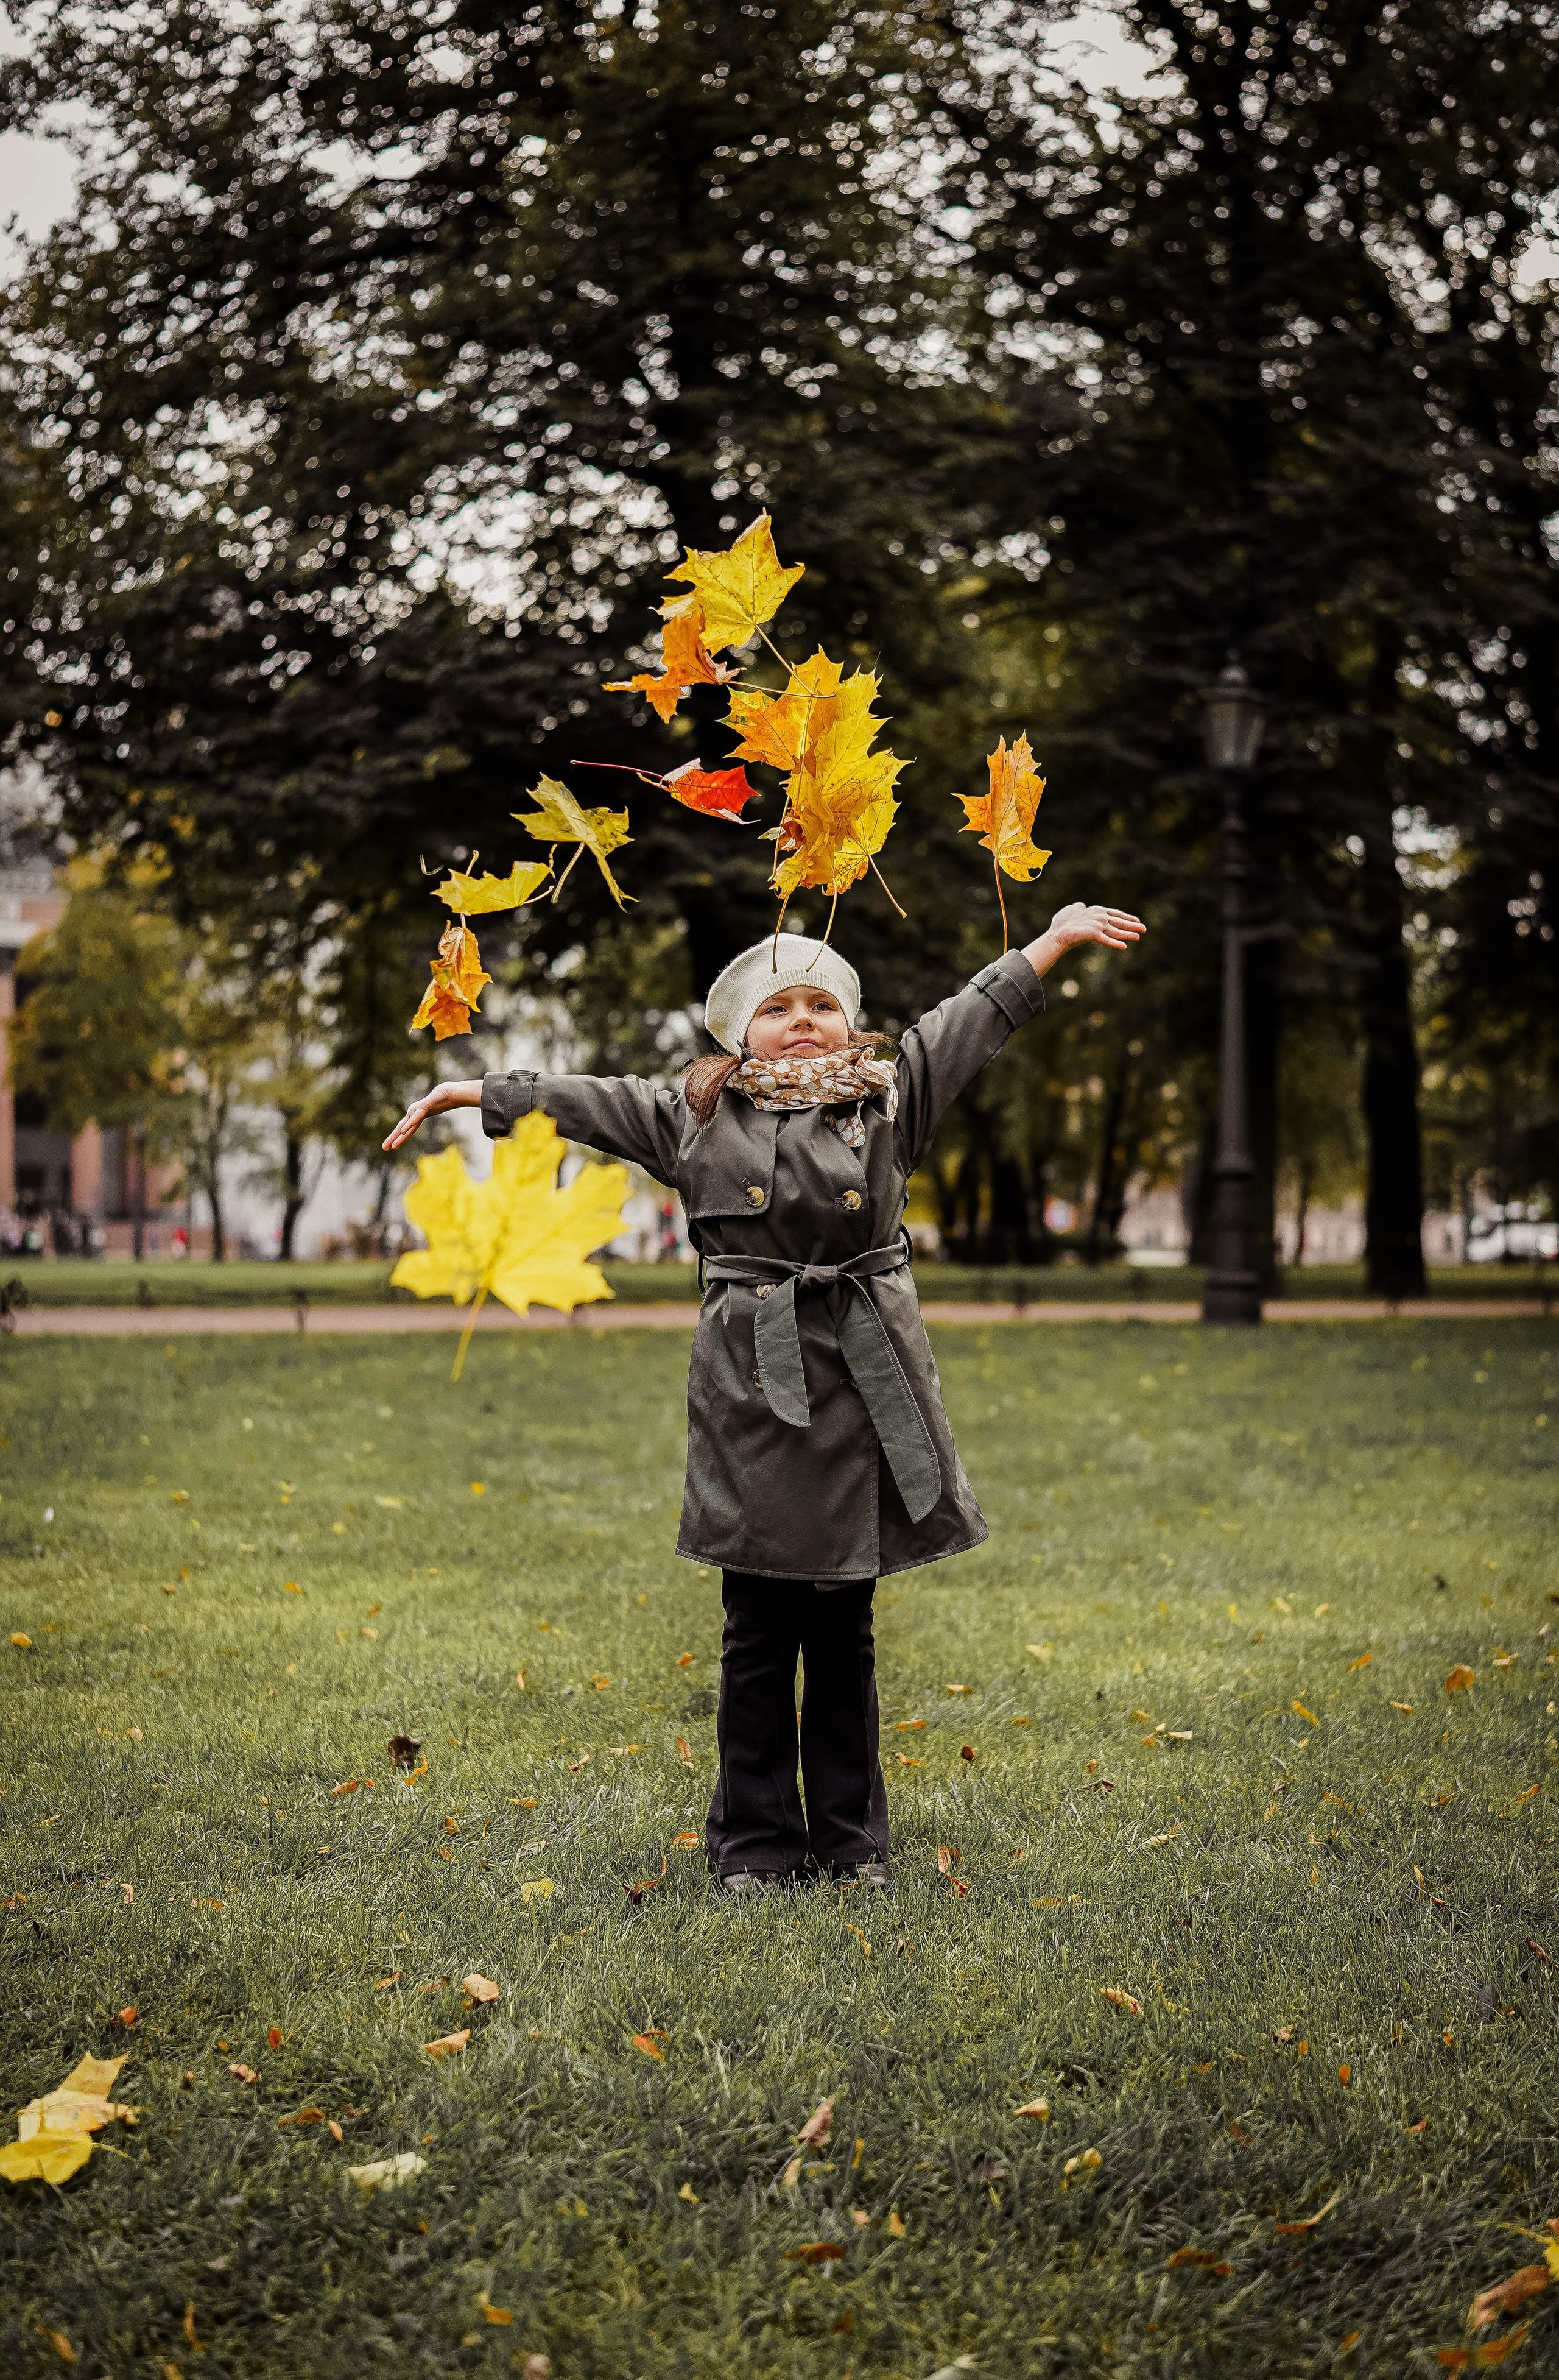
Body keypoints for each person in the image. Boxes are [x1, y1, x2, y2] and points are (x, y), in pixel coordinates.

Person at [384, 902, 1144, 1896]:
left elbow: (966, 1021)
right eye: (777, 1006)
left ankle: (850, 1843)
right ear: (740, 1031)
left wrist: (1047, 941)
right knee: (756, 1633)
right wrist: (468, 1089)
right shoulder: (695, 1115)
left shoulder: (889, 1099)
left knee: (842, 1631)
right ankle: (753, 1848)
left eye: (820, 1004)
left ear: (851, 1024)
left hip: (864, 1383)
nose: (801, 1020)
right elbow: (586, 1100)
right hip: (751, 1395)